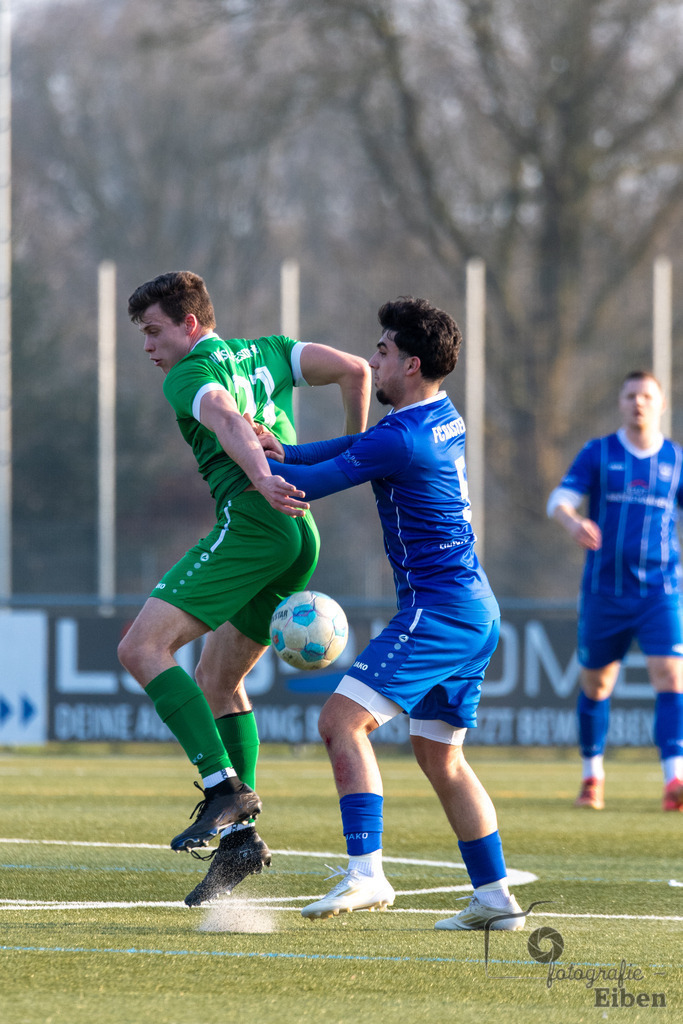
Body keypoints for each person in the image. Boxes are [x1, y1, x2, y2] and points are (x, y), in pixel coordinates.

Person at [259, 296, 525, 931]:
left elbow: (315, 486)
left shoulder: (403, 438)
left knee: (340, 724)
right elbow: (359, 443)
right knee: (441, 758)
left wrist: (258, 462)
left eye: (380, 352)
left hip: (439, 610)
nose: (371, 362)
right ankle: (494, 898)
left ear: (408, 363)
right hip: (473, 607)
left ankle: (367, 873)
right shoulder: (438, 417)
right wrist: (286, 448)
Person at [119, 271, 371, 905]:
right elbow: (356, 372)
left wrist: (259, 477)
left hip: (256, 522)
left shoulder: (187, 375)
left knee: (141, 650)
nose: (148, 347)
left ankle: (222, 790)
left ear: (191, 325)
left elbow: (228, 418)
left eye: (154, 332)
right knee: (218, 682)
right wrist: (355, 456)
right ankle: (240, 845)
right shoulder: (269, 350)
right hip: (299, 532)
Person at [547, 371, 683, 812]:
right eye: (630, 395)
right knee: (598, 684)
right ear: (620, 403)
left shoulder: (676, 461)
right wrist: (573, 523)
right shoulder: (599, 453)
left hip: (661, 589)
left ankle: (674, 780)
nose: (638, 402)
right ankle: (592, 776)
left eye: (647, 396)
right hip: (605, 590)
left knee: (671, 676)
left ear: (661, 404)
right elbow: (559, 501)